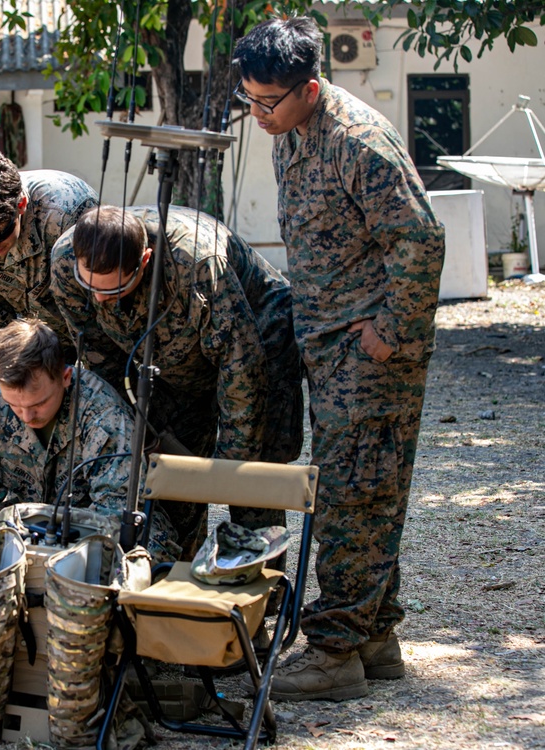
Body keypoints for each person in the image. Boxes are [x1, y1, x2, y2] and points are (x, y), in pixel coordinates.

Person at [232, 17, 445, 700]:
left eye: (270, 102)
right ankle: (375, 636)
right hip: (326, 341)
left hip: (367, 349)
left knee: (353, 499)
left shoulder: (357, 140)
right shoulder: (290, 130)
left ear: (310, 88)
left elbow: (421, 238)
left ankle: (334, 653)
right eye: (250, 100)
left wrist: (391, 329)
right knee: (365, 493)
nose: (258, 115)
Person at [51, 205, 304, 556]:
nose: (98, 299)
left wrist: (228, 468)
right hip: (173, 356)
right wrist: (137, 423)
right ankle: (173, 580)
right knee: (169, 474)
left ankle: (256, 592)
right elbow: (99, 354)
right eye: (89, 286)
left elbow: (242, 371)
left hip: (258, 338)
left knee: (250, 476)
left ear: (145, 260)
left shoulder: (197, 263)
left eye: (114, 290)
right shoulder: (66, 261)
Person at [0, 319, 178, 587]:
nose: (27, 416)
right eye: (15, 405)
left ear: (65, 378)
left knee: (148, 551)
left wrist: (54, 554)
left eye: (38, 404)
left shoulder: (103, 413)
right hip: (28, 525)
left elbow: (116, 506)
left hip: (91, 527)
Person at [0, 148, 99, 387]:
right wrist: (5, 398)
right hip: (28, 330)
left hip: (80, 321)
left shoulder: (66, 211)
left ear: (21, 205)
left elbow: (97, 315)